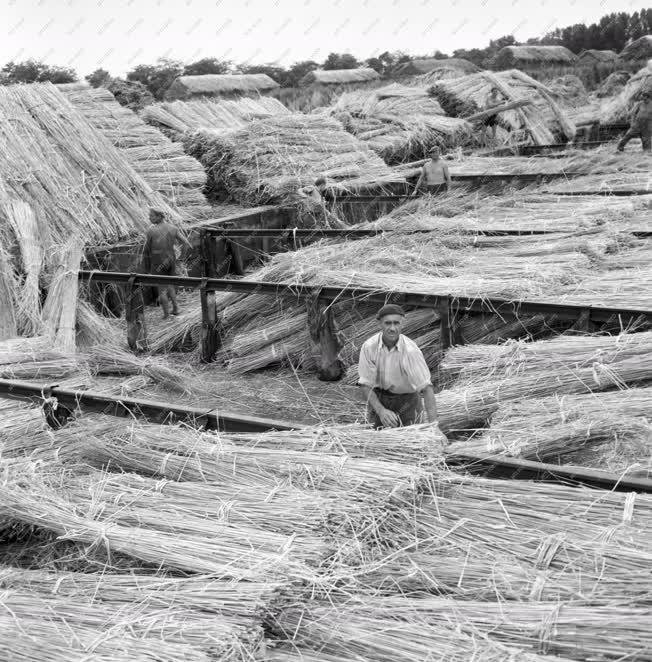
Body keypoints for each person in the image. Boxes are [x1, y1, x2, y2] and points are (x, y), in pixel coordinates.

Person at [358, 304, 443, 436]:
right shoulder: (369, 347)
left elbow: (426, 388)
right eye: (387, 323)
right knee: (375, 443)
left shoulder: (411, 351)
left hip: (408, 401)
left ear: (402, 324)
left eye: (396, 323)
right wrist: (381, 411)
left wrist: (434, 426)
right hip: (379, 398)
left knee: (410, 443)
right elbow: (365, 384)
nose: (392, 328)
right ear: (379, 324)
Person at [142, 208, 192, 319]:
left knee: (161, 288)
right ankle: (176, 308)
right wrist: (181, 257)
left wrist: (146, 266)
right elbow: (186, 243)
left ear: (160, 217)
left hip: (157, 260)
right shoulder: (173, 228)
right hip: (171, 258)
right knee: (170, 284)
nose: (149, 218)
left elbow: (146, 250)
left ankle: (166, 314)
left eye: (152, 216)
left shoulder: (151, 231)